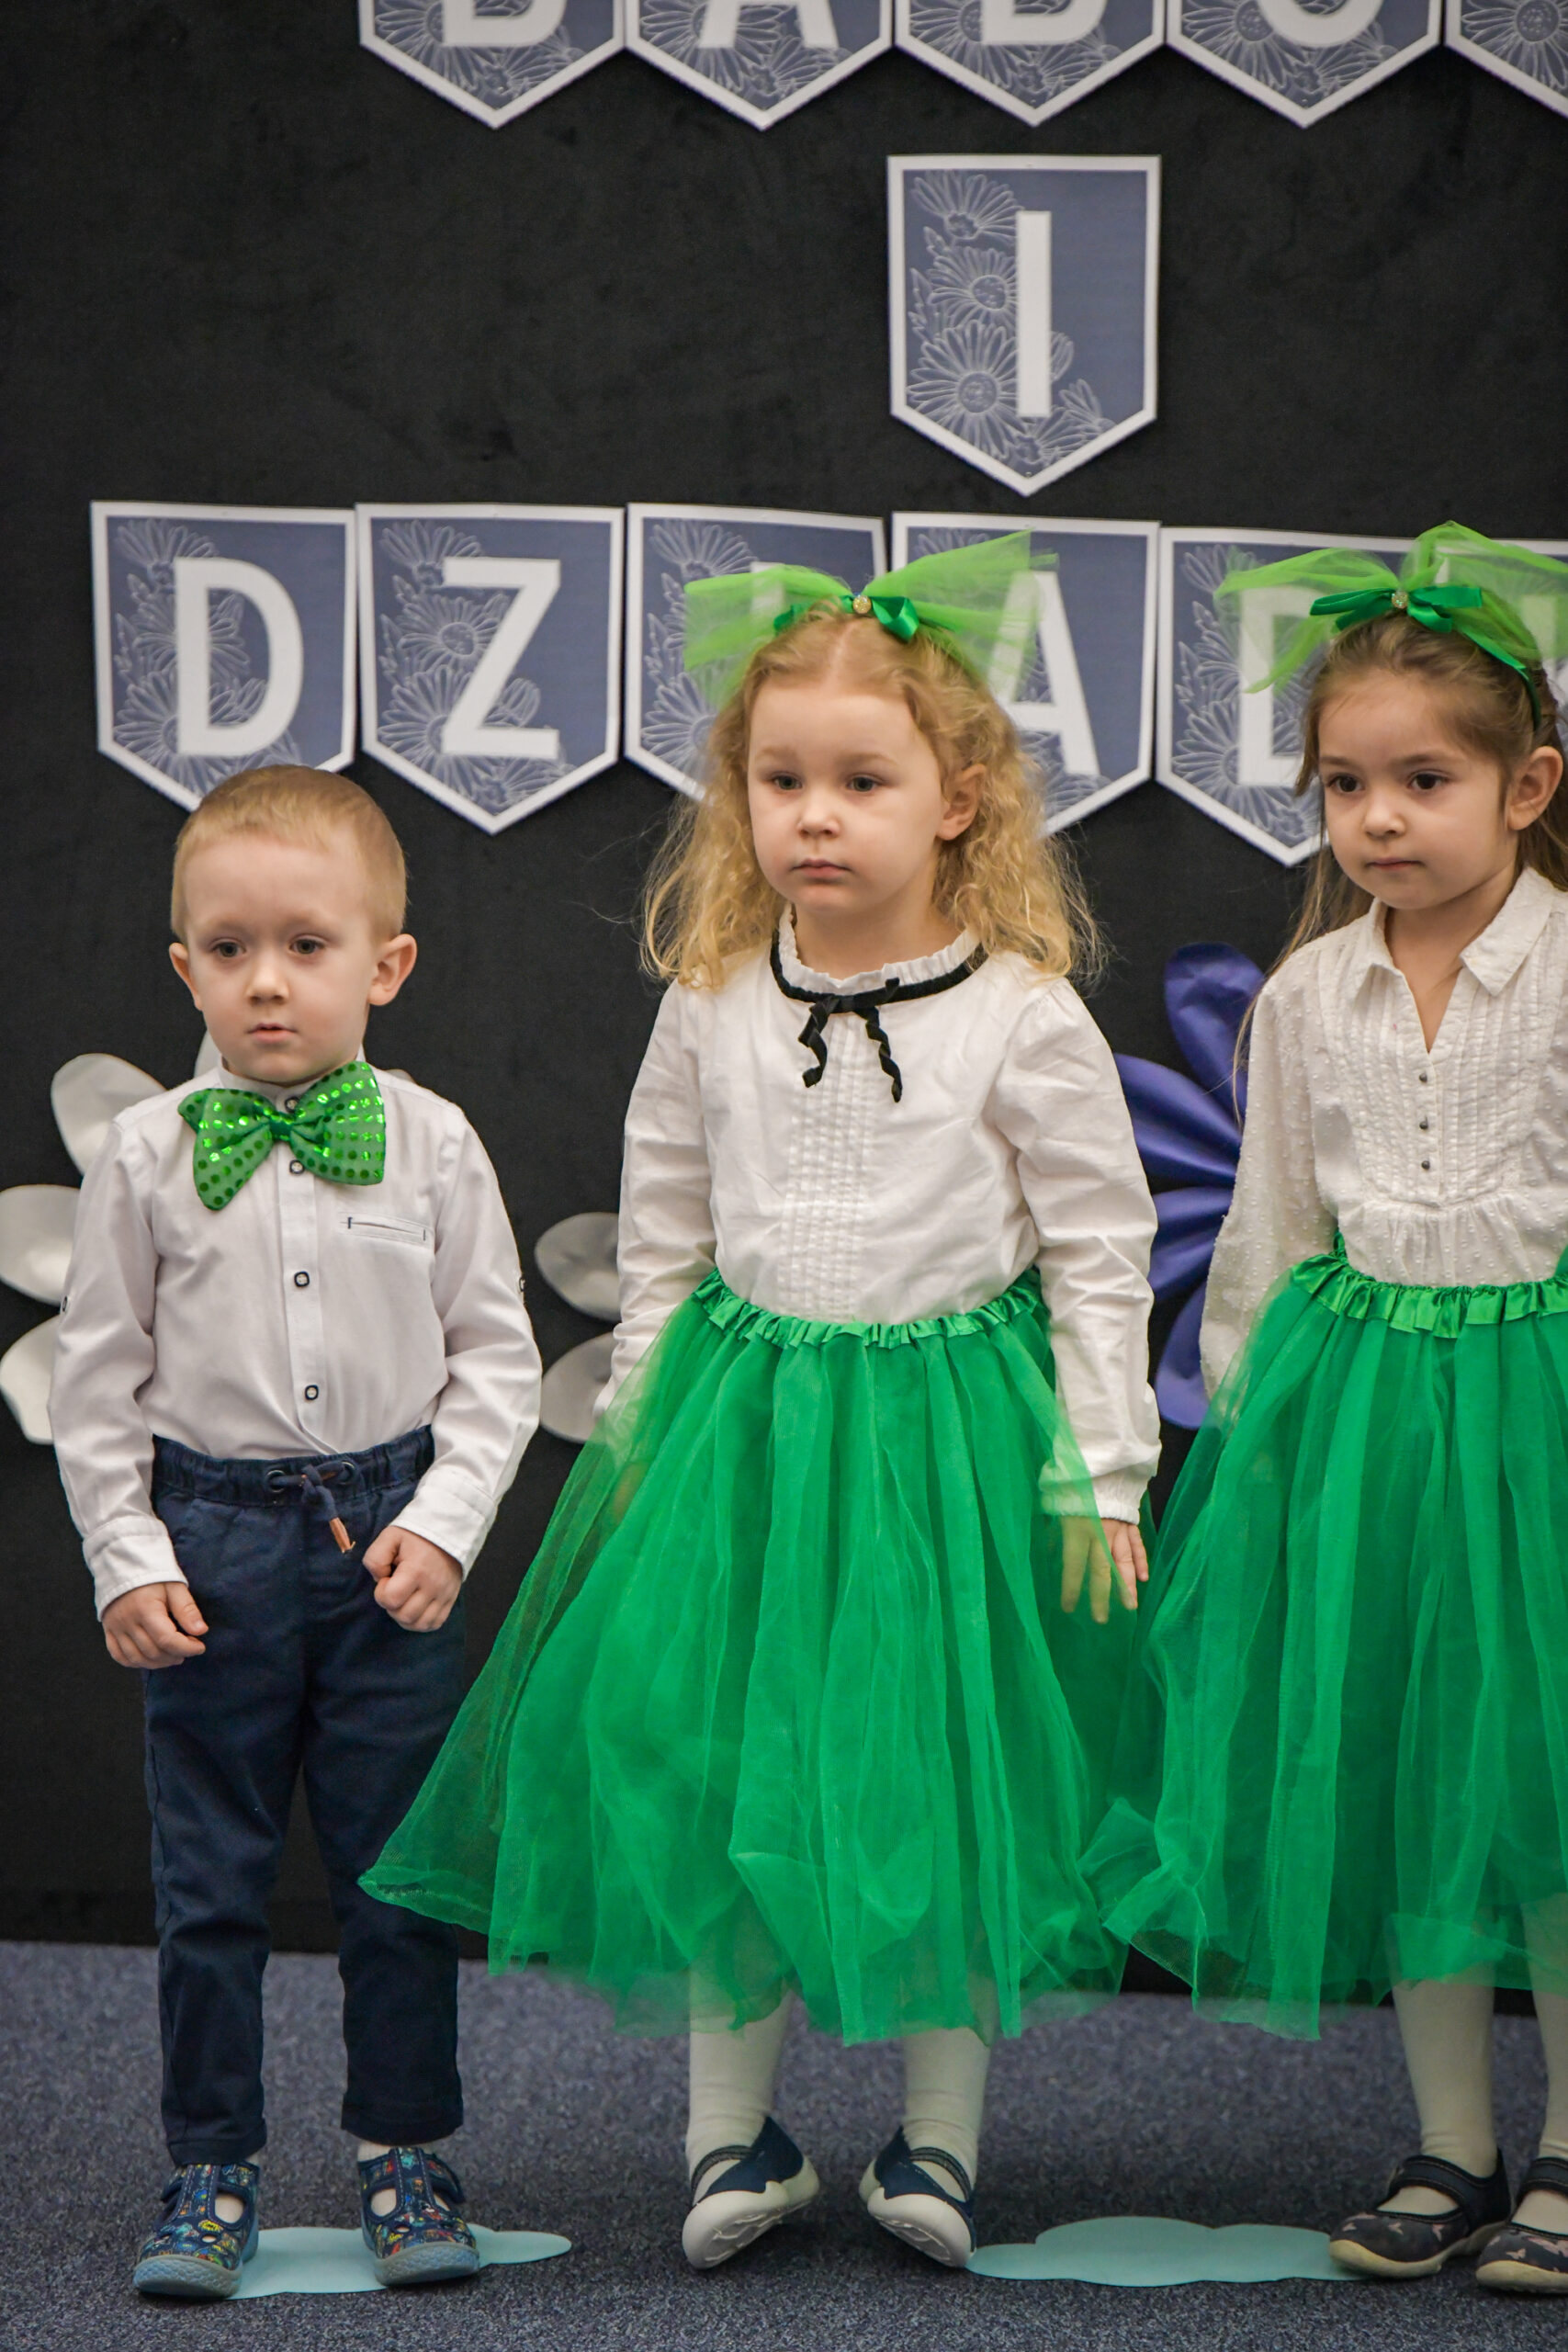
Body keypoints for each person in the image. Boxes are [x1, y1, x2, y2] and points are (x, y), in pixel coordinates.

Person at [364, 537, 1160, 2271]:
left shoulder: (1020, 1017)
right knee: (716, 1769)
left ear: (957, 802)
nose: (816, 816)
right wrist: (640, 1431)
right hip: (744, 1445)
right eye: (781, 779)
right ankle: (731, 2137)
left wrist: (1102, 1468)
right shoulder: (716, 998)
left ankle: (939, 2144)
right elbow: (662, 1229)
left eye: (862, 781)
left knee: (936, 1783)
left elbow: (1102, 1253)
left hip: (944, 1454)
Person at [1086, 526, 1568, 2292]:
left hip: (1539, 1425)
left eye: (1424, 781)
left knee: (1543, 1791)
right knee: (1402, 1780)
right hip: (1364, 1433)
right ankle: (1453, 2145)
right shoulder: (1307, 994)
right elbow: (1273, 1231)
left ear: (1527, 788)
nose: (1379, 818)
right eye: (1346, 785)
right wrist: (1246, 1443)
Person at [50, 766, 541, 2300]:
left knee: (397, 1881)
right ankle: (211, 2168)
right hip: (211, 1547)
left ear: (386, 965)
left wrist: (446, 1526)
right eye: (231, 948)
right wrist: (130, 1556)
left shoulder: (436, 1143)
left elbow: (498, 1360)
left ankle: (407, 2151)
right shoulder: (145, 1154)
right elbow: (95, 1380)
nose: (268, 980)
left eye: (307, 946)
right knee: (208, 1888)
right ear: (184, 965)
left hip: (388, 1547)